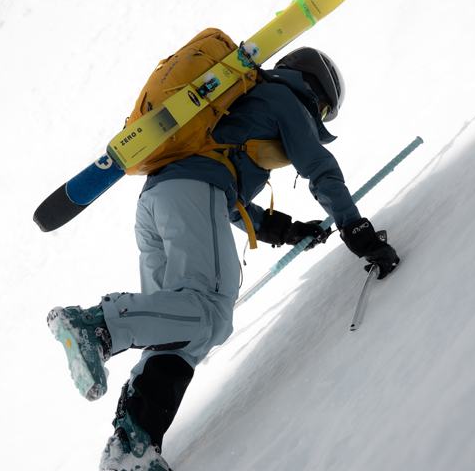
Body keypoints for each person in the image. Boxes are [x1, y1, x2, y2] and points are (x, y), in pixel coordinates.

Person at [47, 47, 400, 471]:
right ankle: (96, 326)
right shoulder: (287, 98)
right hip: (193, 192)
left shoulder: (244, 105)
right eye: (323, 110)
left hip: (159, 201)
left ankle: (134, 445)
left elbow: (227, 195)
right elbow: (320, 169)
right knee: (210, 311)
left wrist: (285, 230)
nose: (318, 118)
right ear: (314, 90)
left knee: (179, 332)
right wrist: (357, 230)